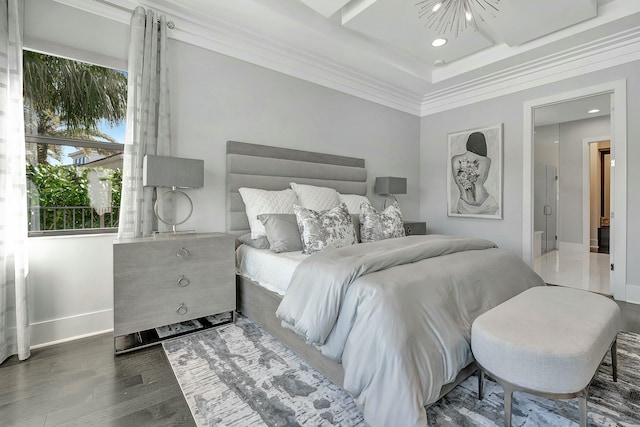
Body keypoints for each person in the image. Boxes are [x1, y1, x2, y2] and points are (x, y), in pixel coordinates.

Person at [451, 131, 498, 215]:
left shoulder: (454, 159)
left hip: (464, 205)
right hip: (485, 204)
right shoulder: (487, 161)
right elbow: (482, 180)